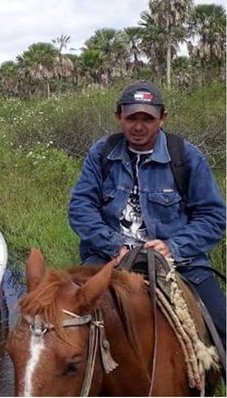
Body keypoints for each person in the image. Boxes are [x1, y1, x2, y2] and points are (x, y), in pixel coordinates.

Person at [68, 79, 226, 354]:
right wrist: (114, 245)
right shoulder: (102, 153)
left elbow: (212, 216)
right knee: (64, 318)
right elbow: (80, 207)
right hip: (108, 256)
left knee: (222, 326)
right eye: (131, 117)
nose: (138, 126)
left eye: (147, 118)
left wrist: (172, 247)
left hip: (180, 261)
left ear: (162, 118)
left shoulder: (186, 157)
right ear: (119, 117)